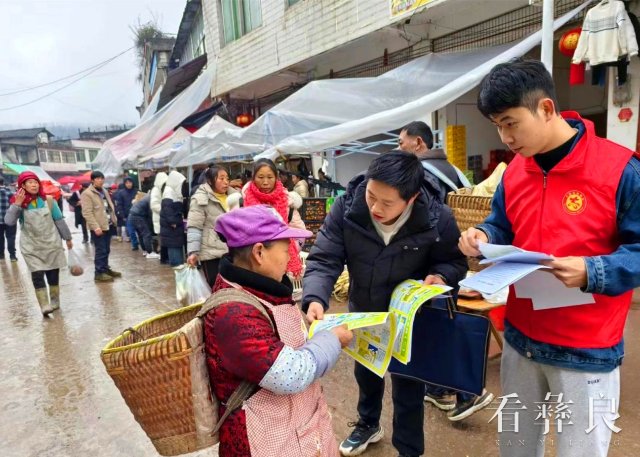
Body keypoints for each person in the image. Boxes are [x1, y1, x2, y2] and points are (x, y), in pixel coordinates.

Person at [459, 59, 640, 457]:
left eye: (511, 122)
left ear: (545, 108)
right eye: (497, 126)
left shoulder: (619, 170)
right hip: (521, 342)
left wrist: (594, 270)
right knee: (516, 447)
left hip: (586, 350)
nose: (505, 137)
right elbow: (502, 224)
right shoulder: (514, 173)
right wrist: (483, 236)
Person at [302, 151, 467, 457]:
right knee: (367, 371)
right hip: (365, 308)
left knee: (409, 386)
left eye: (387, 203)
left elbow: (453, 262)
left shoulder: (436, 218)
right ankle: (368, 423)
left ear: (412, 198)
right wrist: (314, 296)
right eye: (371, 195)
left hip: (408, 318)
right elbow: (325, 258)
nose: (375, 207)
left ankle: (409, 450)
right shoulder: (347, 207)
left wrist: (440, 275)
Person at [204, 204, 353, 457]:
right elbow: (289, 373)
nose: (292, 254)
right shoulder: (234, 313)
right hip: (264, 439)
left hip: (295, 428)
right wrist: (332, 339)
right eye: (286, 248)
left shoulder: (263, 289)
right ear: (259, 253)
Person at [4, 172, 73, 315]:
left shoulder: (49, 200)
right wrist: (17, 203)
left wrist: (68, 238)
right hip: (31, 246)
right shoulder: (19, 204)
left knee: (53, 273)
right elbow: (9, 221)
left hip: (51, 243)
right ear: (22, 186)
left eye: (35, 182)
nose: (34, 185)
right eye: (29, 182)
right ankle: (44, 305)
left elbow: (59, 220)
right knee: (37, 274)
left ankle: (54, 301)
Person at [238, 158, 307, 279]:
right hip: (251, 266)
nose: (265, 182)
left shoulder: (287, 202)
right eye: (260, 177)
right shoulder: (242, 202)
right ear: (253, 178)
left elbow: (300, 232)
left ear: (276, 178)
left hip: (281, 267)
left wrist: (284, 251)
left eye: (270, 177)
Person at [398, 121, 470, 203]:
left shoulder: (419, 172)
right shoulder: (452, 168)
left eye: (401, 143)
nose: (398, 149)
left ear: (418, 142)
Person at [186, 166, 235, 287]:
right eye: (221, 178)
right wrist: (193, 252)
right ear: (210, 181)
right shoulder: (200, 199)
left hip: (233, 251)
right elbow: (194, 226)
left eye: (227, 178)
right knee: (216, 287)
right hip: (211, 253)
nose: (226, 182)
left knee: (233, 287)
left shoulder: (235, 197)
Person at [81, 171, 121, 283]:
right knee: (101, 250)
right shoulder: (87, 193)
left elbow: (109, 206)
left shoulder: (104, 191)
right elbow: (87, 213)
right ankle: (99, 273)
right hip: (98, 227)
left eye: (102, 178)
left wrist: (114, 220)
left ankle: (105, 269)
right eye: (97, 178)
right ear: (92, 180)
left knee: (106, 249)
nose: (100, 180)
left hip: (107, 224)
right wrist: (95, 227)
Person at [160, 170, 188, 267]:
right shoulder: (169, 192)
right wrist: (173, 222)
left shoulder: (172, 192)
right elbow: (167, 209)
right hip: (172, 230)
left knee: (177, 252)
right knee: (176, 259)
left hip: (174, 230)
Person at [128, 192, 159, 259]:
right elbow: (150, 213)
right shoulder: (151, 199)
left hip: (132, 216)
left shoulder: (146, 197)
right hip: (138, 216)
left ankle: (145, 251)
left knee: (141, 234)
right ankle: (150, 252)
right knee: (146, 234)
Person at [113, 177, 139, 249]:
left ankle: (141, 244)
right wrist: (122, 215)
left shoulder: (137, 191)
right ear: (124, 184)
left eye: (130, 182)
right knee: (131, 231)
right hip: (128, 215)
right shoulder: (121, 193)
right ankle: (135, 244)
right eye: (127, 183)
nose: (129, 184)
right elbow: (119, 205)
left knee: (139, 231)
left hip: (138, 214)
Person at [150, 172, 169, 264]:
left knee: (165, 240)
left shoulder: (164, 189)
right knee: (162, 241)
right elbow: (153, 205)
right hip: (159, 219)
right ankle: (163, 259)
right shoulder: (156, 190)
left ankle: (165, 258)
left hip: (164, 219)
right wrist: (165, 209)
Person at [0, 176, 18, 261]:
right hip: (10, 220)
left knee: (0, 238)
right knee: (11, 237)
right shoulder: (11, 192)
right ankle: (12, 256)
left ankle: (1, 255)